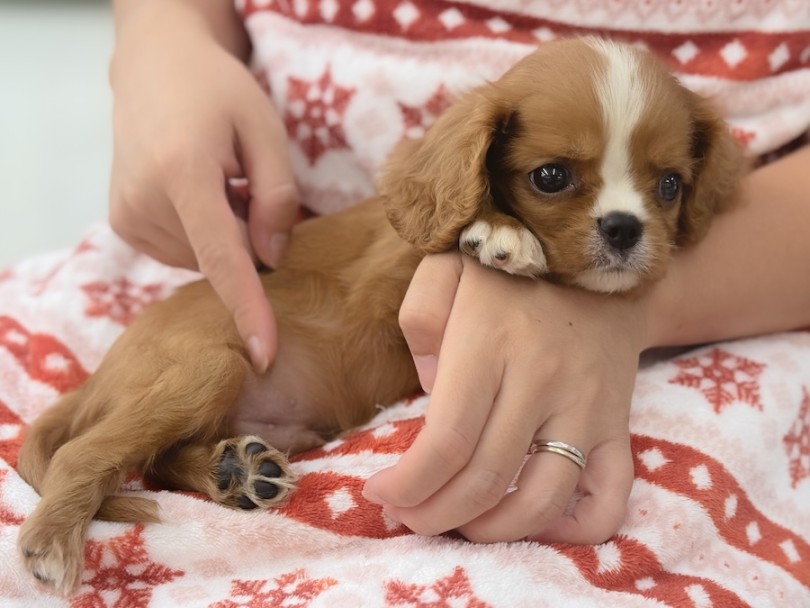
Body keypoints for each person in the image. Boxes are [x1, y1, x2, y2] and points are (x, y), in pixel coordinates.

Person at [109, 0, 810, 543]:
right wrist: (162, 41)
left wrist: (638, 307)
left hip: (720, 325)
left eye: (666, 188)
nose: (631, 210)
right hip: (253, 272)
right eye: (553, 176)